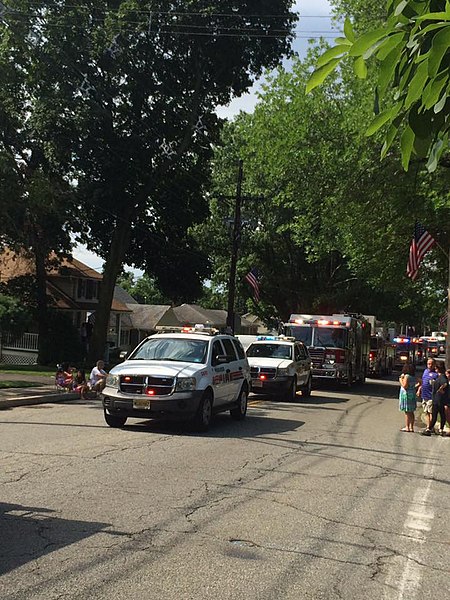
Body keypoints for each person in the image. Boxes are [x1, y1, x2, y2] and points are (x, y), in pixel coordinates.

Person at [422, 363, 448, 436]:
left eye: (436, 368)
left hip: (439, 400)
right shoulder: (440, 376)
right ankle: (438, 429)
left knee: (437, 415)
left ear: (438, 368)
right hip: (437, 399)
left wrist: (440, 389)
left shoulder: (442, 377)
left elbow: (445, 384)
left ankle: (430, 429)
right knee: (440, 415)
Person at [417, 358, 438, 430]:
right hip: (424, 395)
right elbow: (423, 382)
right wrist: (419, 389)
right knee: (426, 412)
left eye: (431, 364)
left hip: (431, 396)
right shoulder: (425, 371)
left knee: (431, 411)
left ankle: (430, 427)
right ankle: (428, 426)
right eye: (428, 364)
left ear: (434, 365)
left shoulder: (436, 374)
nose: (430, 365)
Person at [398, 363, 417, 432]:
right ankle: (411, 427)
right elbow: (420, 382)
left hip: (406, 395)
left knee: (407, 411)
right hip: (412, 394)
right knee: (411, 411)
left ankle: (407, 427)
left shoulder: (407, 376)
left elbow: (405, 385)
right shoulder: (413, 377)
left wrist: (400, 379)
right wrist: (414, 387)